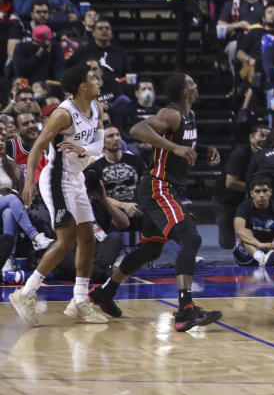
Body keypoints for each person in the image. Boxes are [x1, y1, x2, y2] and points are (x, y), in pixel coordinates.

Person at [86, 73, 221, 330]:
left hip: (168, 187)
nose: (197, 85)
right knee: (191, 238)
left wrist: (206, 151)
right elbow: (137, 130)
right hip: (160, 187)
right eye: (193, 83)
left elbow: (183, 147)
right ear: (185, 92)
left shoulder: (189, 117)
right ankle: (186, 310)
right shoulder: (171, 114)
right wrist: (173, 148)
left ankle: (105, 292)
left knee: (151, 249)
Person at [10, 64, 107, 326]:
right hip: (56, 181)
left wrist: (82, 148)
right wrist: (29, 181)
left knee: (88, 239)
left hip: (76, 180)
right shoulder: (63, 114)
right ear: (82, 87)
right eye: (93, 79)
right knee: (66, 241)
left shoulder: (96, 107)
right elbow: (36, 147)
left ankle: (79, 301)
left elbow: (100, 145)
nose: (99, 81)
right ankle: (26, 293)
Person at [233, 175, 274, 268]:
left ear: (270, 192)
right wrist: (259, 244)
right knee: (245, 232)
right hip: (248, 252)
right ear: (252, 194)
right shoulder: (244, 207)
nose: (261, 195)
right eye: (257, 191)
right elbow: (239, 231)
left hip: (269, 250)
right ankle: (261, 258)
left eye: (265, 191)